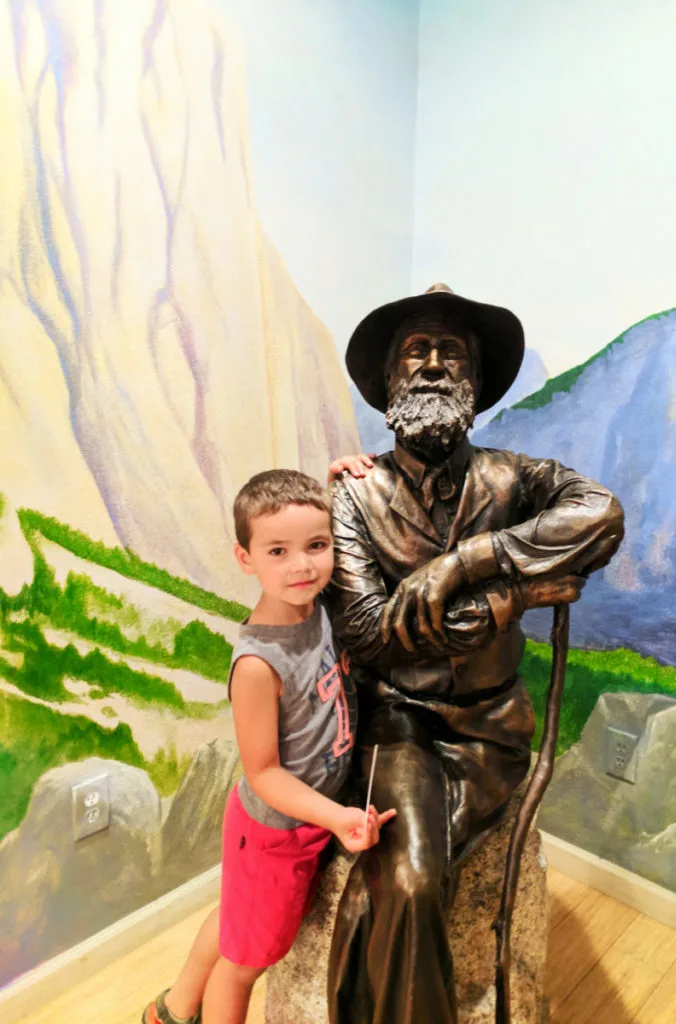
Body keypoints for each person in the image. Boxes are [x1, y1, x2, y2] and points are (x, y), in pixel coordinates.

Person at [326, 284, 624, 1024]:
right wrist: (509, 599)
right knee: (414, 883)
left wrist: (469, 561)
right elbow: (365, 631)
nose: (431, 364)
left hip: (494, 729)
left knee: (421, 879)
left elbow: (601, 517)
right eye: (415, 352)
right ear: (390, 378)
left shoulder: (514, 479)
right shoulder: (353, 497)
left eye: (449, 351)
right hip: (399, 729)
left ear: (474, 377)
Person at [143, 467, 394, 1024]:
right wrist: (335, 817)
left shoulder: (321, 606)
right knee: (246, 962)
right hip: (275, 834)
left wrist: (338, 477)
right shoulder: (258, 664)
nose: (302, 564)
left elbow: (323, 519)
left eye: (316, 546)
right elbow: (263, 773)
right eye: (277, 551)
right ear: (245, 558)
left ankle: (174, 1008)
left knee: (239, 920)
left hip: (296, 823)